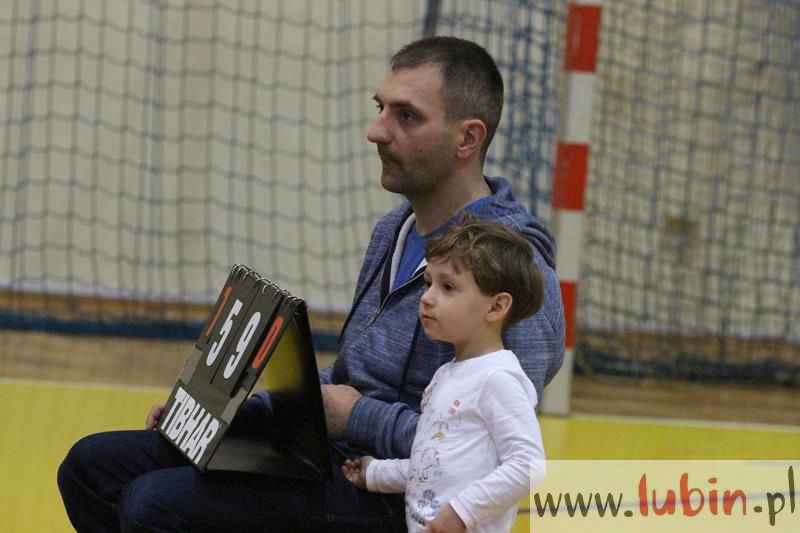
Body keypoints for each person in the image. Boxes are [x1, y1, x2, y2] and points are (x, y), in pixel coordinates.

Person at [57, 36, 564, 531]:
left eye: (406, 116)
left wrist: (359, 417)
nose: (377, 131)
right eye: (381, 109)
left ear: (467, 139)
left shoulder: (515, 267)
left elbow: (490, 453)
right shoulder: (395, 229)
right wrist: (235, 413)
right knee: (92, 468)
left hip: (404, 492)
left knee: (154, 505)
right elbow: (348, 377)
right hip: (333, 451)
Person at [342, 219, 547, 533]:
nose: (427, 297)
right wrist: (375, 474)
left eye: (447, 287)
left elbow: (528, 467)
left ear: (496, 307)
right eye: (428, 283)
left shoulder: (498, 379)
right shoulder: (446, 374)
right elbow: (435, 464)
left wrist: (462, 512)